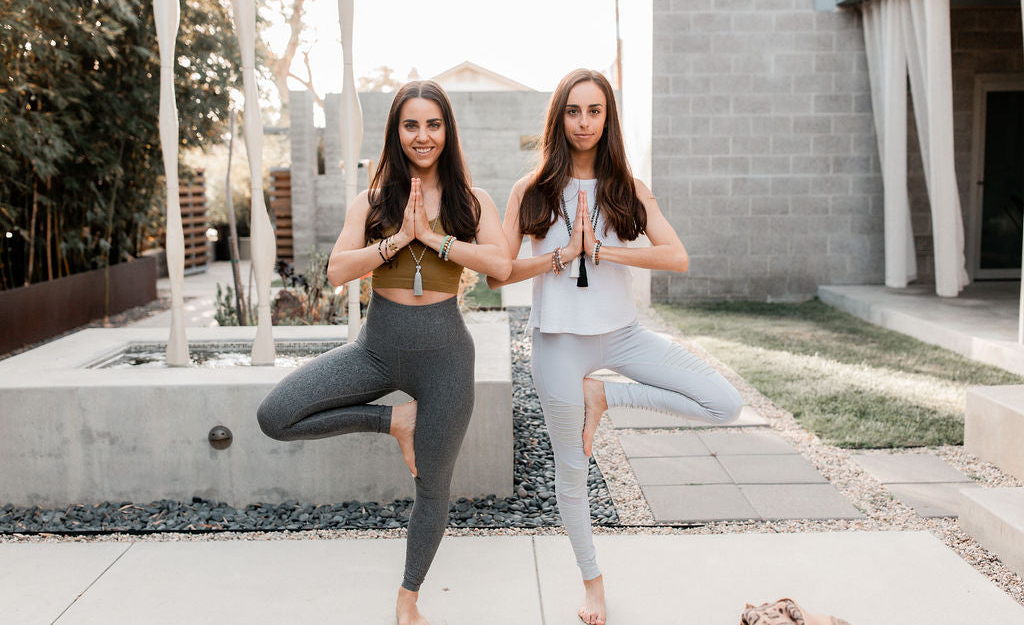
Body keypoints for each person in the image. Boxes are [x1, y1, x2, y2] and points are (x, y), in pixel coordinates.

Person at [488, 69, 743, 625]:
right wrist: (562, 255)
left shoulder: (627, 187)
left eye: (594, 111)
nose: (584, 123)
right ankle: (593, 584)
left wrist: (602, 250)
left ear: (608, 118)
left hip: (622, 334)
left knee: (724, 403)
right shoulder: (531, 190)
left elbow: (676, 256)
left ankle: (606, 398)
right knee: (572, 471)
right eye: (574, 111)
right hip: (557, 342)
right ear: (559, 118)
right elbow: (499, 273)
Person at [258, 80, 512, 625]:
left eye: (434, 124)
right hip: (376, 350)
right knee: (275, 416)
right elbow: (335, 273)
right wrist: (398, 240)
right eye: (411, 125)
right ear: (396, 132)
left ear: (448, 130)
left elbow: (502, 266)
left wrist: (436, 239)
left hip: (446, 357)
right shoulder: (371, 201)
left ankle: (407, 600)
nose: (423, 136)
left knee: (432, 485)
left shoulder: (473, 200)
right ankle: (392, 421)